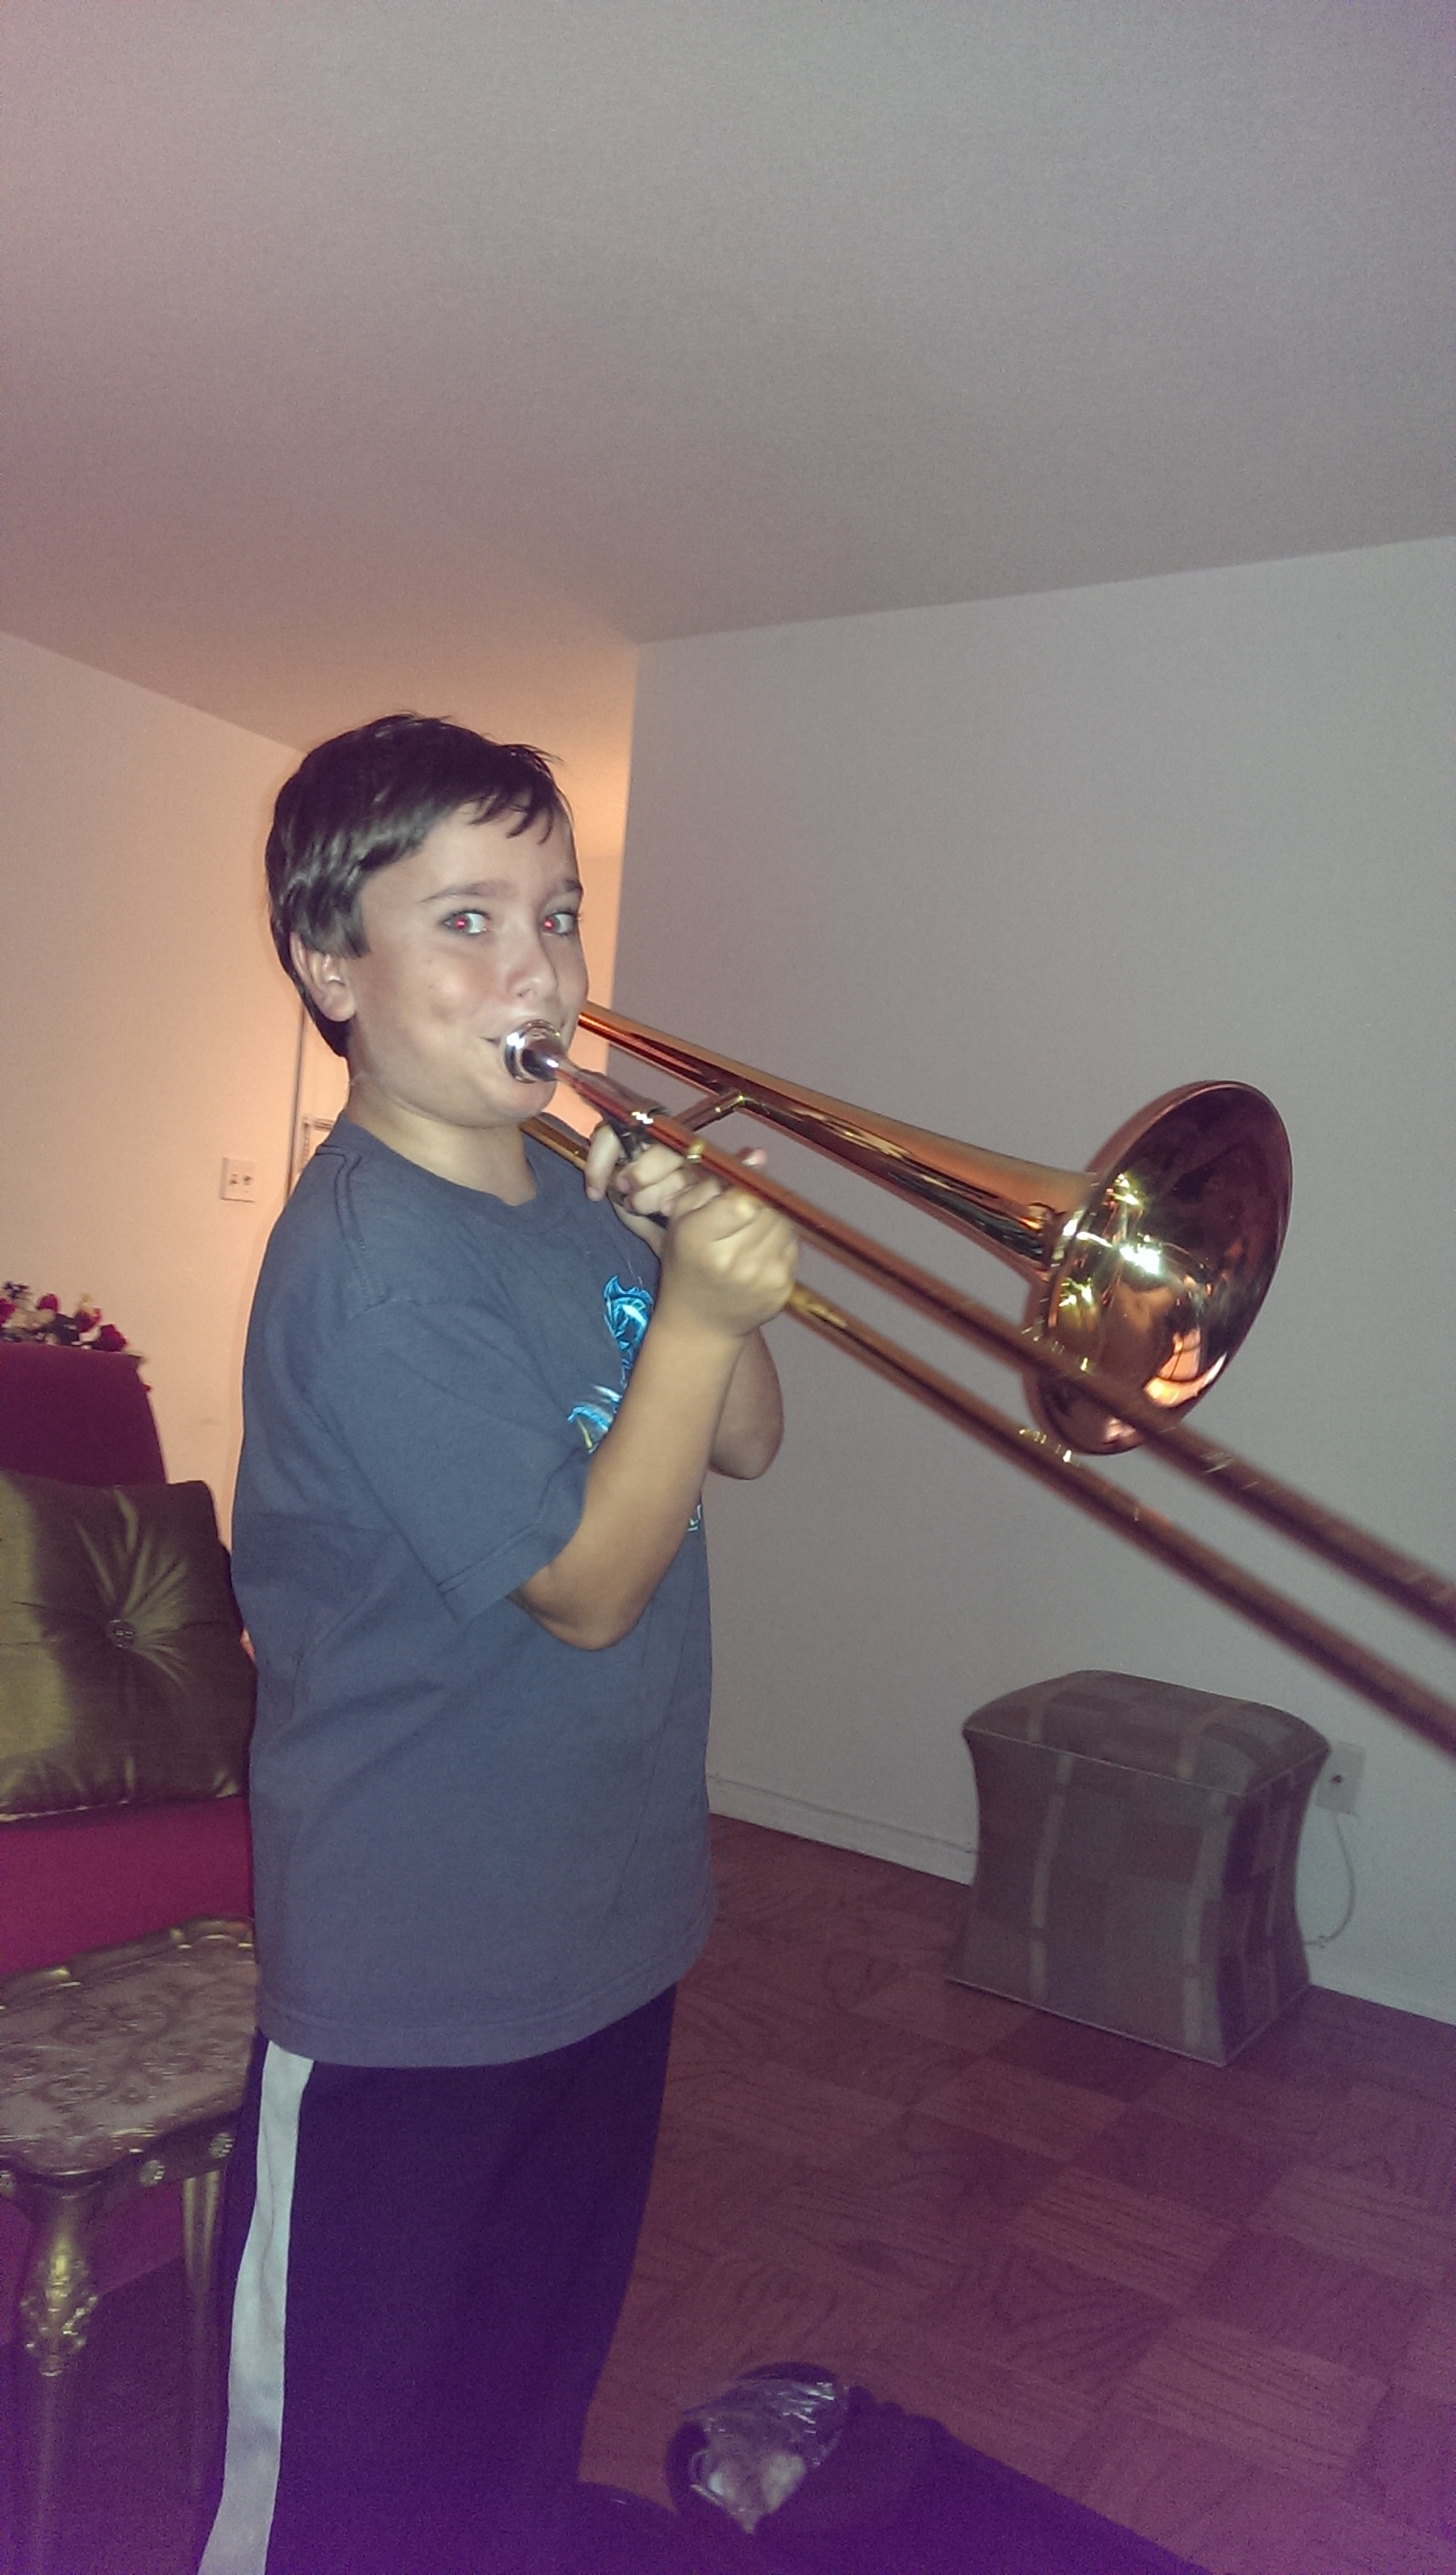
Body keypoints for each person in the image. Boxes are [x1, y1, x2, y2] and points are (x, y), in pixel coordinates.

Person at [198, 715, 797, 2575]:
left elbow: (749, 1435)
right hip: (411, 1974)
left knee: (516, 2422)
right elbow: (589, 1588)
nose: (536, 966)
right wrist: (692, 1315)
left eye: (557, 909)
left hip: (603, 1934)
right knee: (336, 2485)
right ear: (327, 962)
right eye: (465, 918)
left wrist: (696, 1265)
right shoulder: (365, 1259)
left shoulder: (562, 1204)